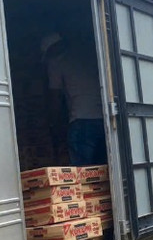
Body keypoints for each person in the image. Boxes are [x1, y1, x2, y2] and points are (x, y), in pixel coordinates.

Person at [42, 33, 106, 166]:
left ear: (51, 50)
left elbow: (55, 96)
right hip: (104, 119)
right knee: (101, 172)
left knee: (82, 175)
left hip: (82, 121)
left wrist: (53, 124)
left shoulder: (56, 62)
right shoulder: (87, 56)